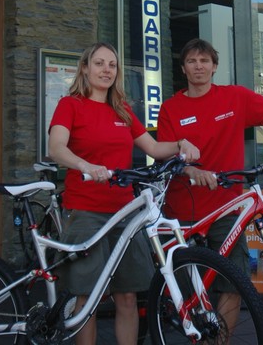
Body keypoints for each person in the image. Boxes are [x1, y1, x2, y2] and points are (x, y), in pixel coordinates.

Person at [48, 42, 200, 345]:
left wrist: (180, 143)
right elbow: (56, 148)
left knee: (128, 296)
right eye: (100, 63)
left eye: (112, 65)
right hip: (86, 211)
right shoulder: (71, 104)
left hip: (124, 213)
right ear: (85, 68)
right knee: (86, 300)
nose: (106, 70)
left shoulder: (122, 110)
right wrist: (85, 165)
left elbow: (154, 148)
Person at [157, 38, 263, 331]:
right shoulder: (171, 108)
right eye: (192, 61)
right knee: (191, 290)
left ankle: (220, 341)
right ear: (184, 69)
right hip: (185, 210)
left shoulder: (233, 97)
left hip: (227, 209)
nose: (198, 66)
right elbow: (165, 155)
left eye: (204, 61)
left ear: (214, 67)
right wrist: (190, 170)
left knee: (233, 283)